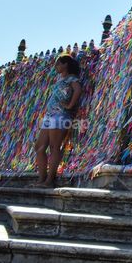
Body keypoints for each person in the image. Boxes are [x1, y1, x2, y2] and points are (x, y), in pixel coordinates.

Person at [34, 54, 82, 187]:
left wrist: (70, 105)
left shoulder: (71, 78)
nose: (56, 67)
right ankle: (41, 179)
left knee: (54, 147)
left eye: (58, 64)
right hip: (50, 115)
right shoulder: (60, 80)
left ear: (65, 64)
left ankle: (49, 181)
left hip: (60, 115)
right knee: (39, 146)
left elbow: (77, 90)